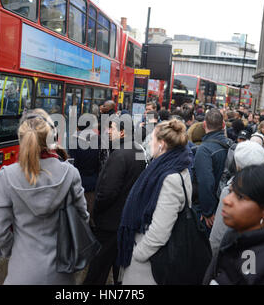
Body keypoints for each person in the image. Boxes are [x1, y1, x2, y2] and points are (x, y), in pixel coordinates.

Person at [0, 110, 89, 285]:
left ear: (21, 140)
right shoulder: (71, 173)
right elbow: (82, 218)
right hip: (61, 273)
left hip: (21, 272)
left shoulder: (7, 176)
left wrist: (13, 251)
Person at [117, 119, 193, 285]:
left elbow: (160, 231)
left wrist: (138, 255)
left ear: (162, 144)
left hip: (148, 267)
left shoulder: (170, 177)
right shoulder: (170, 166)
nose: (149, 143)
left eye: (152, 139)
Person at [83, 115, 146, 285]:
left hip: (110, 223)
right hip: (125, 220)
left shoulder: (119, 155)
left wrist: (96, 211)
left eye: (113, 128)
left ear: (123, 132)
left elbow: (107, 192)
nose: (108, 131)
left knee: (97, 271)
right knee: (119, 270)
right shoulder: (138, 150)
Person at [209, 141, 264, 257]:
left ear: (237, 165)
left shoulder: (231, 192)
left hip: (236, 257)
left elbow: (217, 237)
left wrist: (214, 264)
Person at [193, 109, 230, 234]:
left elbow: (205, 182)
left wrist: (207, 211)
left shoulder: (204, 150)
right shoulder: (230, 144)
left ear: (204, 125)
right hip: (226, 205)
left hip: (209, 211)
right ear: (223, 125)